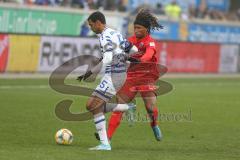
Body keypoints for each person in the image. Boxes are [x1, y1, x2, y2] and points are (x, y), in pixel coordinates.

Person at [95, 9, 164, 142]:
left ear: (146, 29)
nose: (136, 30)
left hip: (146, 77)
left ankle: (154, 125)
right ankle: (107, 137)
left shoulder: (150, 42)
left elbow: (149, 54)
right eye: (135, 27)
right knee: (119, 106)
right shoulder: (130, 41)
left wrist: (140, 60)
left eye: (139, 28)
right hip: (131, 77)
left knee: (150, 108)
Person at [78, 11, 137, 151]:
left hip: (114, 75)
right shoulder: (114, 32)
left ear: (98, 23)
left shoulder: (105, 36)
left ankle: (105, 144)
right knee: (91, 105)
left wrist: (91, 72)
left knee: (93, 106)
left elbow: (108, 58)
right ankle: (127, 108)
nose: (91, 28)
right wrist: (124, 57)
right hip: (117, 74)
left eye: (91, 25)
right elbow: (133, 49)